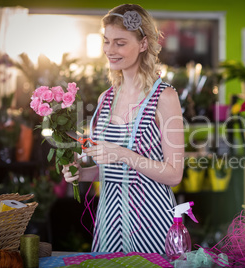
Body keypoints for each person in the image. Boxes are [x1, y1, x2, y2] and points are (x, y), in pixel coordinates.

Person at [62, 4, 184, 254]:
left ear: (143, 44)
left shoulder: (163, 97)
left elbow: (174, 175)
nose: (109, 50)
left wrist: (123, 154)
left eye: (120, 42)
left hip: (151, 223)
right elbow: (112, 168)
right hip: (109, 222)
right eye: (106, 41)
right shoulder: (106, 98)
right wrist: (82, 174)